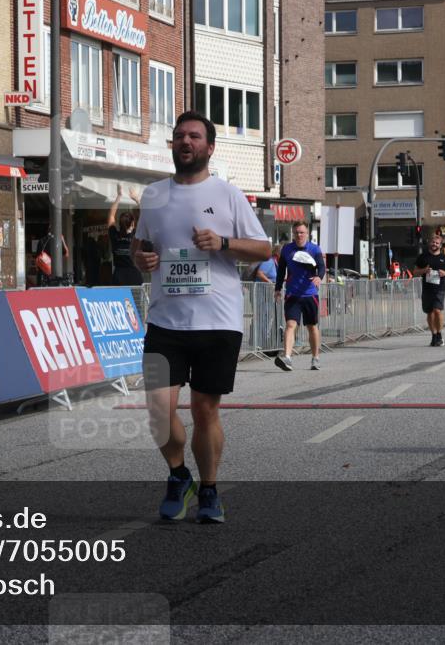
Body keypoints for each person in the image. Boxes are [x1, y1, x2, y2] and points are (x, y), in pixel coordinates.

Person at [132, 111, 270, 524]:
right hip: (166, 322)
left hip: (218, 321)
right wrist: (142, 258)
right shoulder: (154, 195)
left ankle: (209, 490)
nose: (185, 142)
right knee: (159, 410)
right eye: (178, 137)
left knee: (205, 411)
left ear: (210, 147)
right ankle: (179, 477)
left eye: (194, 136)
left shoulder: (228, 195)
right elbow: (139, 249)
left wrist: (223, 241)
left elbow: (263, 249)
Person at [273, 222, 326, 371]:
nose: (299, 235)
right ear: (293, 234)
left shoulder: (314, 249)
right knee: (290, 325)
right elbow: (281, 269)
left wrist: (319, 277)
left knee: (312, 327)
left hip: (310, 294)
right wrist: (278, 288)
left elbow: (321, 267)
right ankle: (287, 358)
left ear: (307, 234)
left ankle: (315, 358)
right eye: (296, 232)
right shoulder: (287, 249)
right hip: (292, 294)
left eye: (302, 232)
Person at [413, 232, 445, 346]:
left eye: (437, 243)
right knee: (430, 313)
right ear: (430, 243)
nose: (434, 244)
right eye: (433, 242)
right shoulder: (423, 257)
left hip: (439, 289)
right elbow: (415, 272)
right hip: (427, 289)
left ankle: (440, 335)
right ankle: (434, 335)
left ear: (440, 245)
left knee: (437, 310)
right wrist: (424, 271)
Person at [108, 183, 142, 286]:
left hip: (119, 275)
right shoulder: (136, 236)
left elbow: (111, 215)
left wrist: (119, 196)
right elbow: (145, 216)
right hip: (134, 275)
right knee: (136, 302)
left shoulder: (115, 236)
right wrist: (136, 199)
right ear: (132, 223)